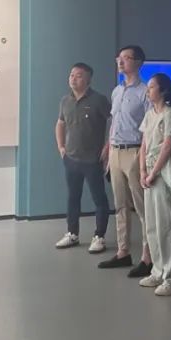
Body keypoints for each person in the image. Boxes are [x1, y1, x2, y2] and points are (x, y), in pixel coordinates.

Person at [98, 45, 153, 277]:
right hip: (116, 152)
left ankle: (148, 257)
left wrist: (144, 156)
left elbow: (150, 127)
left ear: (138, 62)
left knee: (142, 207)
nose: (120, 62)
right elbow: (114, 121)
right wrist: (108, 146)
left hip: (135, 152)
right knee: (120, 205)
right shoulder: (116, 91)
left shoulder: (145, 92)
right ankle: (123, 252)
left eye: (126, 58)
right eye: (118, 58)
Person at [137, 73, 171, 296]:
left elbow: (168, 146)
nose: (148, 91)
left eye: (151, 87)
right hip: (149, 174)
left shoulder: (170, 114)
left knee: (166, 225)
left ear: (162, 90)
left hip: (163, 175)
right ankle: (157, 270)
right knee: (152, 225)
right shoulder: (149, 115)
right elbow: (144, 145)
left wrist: (153, 172)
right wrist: (142, 171)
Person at [54, 62, 111, 253]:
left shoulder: (99, 100)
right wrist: (61, 147)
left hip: (93, 159)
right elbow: (60, 123)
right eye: (71, 75)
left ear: (88, 79)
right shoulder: (65, 100)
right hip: (71, 159)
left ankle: (99, 236)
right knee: (73, 197)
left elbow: (113, 121)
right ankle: (72, 233)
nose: (73, 79)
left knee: (99, 199)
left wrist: (108, 146)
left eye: (78, 76)